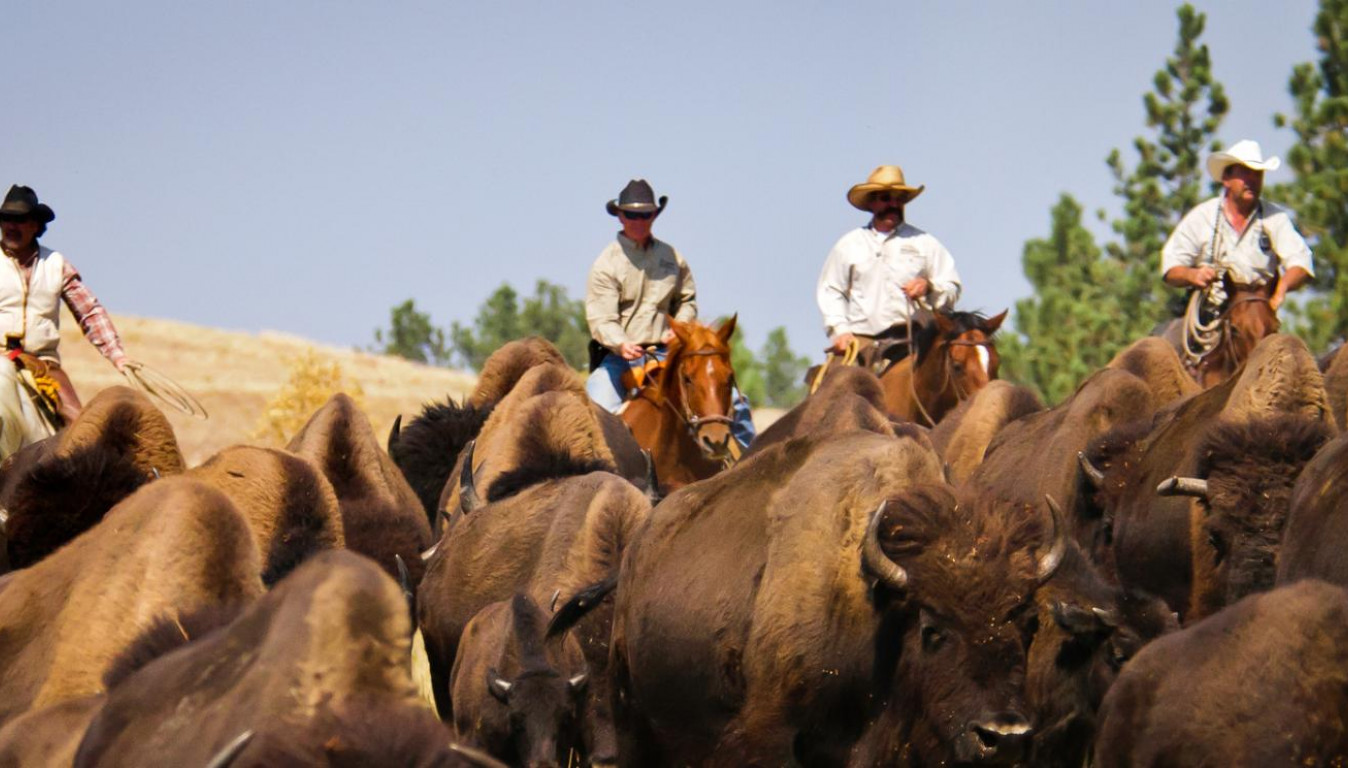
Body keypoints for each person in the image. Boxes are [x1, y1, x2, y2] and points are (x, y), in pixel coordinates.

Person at [584, 178, 754, 448]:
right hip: (622, 358)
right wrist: (621, 343)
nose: (638, 221)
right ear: (620, 216)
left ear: (654, 215)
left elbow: (687, 299)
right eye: (631, 215)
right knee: (594, 404)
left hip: (670, 352)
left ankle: (752, 461)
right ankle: (596, 469)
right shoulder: (606, 264)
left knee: (734, 401)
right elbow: (601, 318)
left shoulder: (672, 257)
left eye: (645, 214)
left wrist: (680, 329)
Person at [0, 184, 129, 422]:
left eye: (19, 220)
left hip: (42, 364)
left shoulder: (56, 264)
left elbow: (89, 312)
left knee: (80, 428)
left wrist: (118, 356)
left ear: (35, 225)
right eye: (6, 219)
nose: (11, 226)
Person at [816, 165, 962, 368]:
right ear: (872, 202)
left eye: (899, 199)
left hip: (913, 343)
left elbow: (952, 287)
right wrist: (840, 330)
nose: (894, 204)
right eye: (886, 198)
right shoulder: (849, 245)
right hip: (861, 341)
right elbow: (831, 290)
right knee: (835, 383)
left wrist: (928, 287)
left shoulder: (925, 243)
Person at [1161, 139, 1313, 314]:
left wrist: (1281, 289)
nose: (1252, 180)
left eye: (1257, 174)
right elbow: (1171, 268)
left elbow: (1301, 263)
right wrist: (1193, 275)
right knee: (1166, 333)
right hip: (1208, 312)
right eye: (1245, 173)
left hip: (1258, 316)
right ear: (1226, 179)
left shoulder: (1275, 218)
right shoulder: (1202, 217)